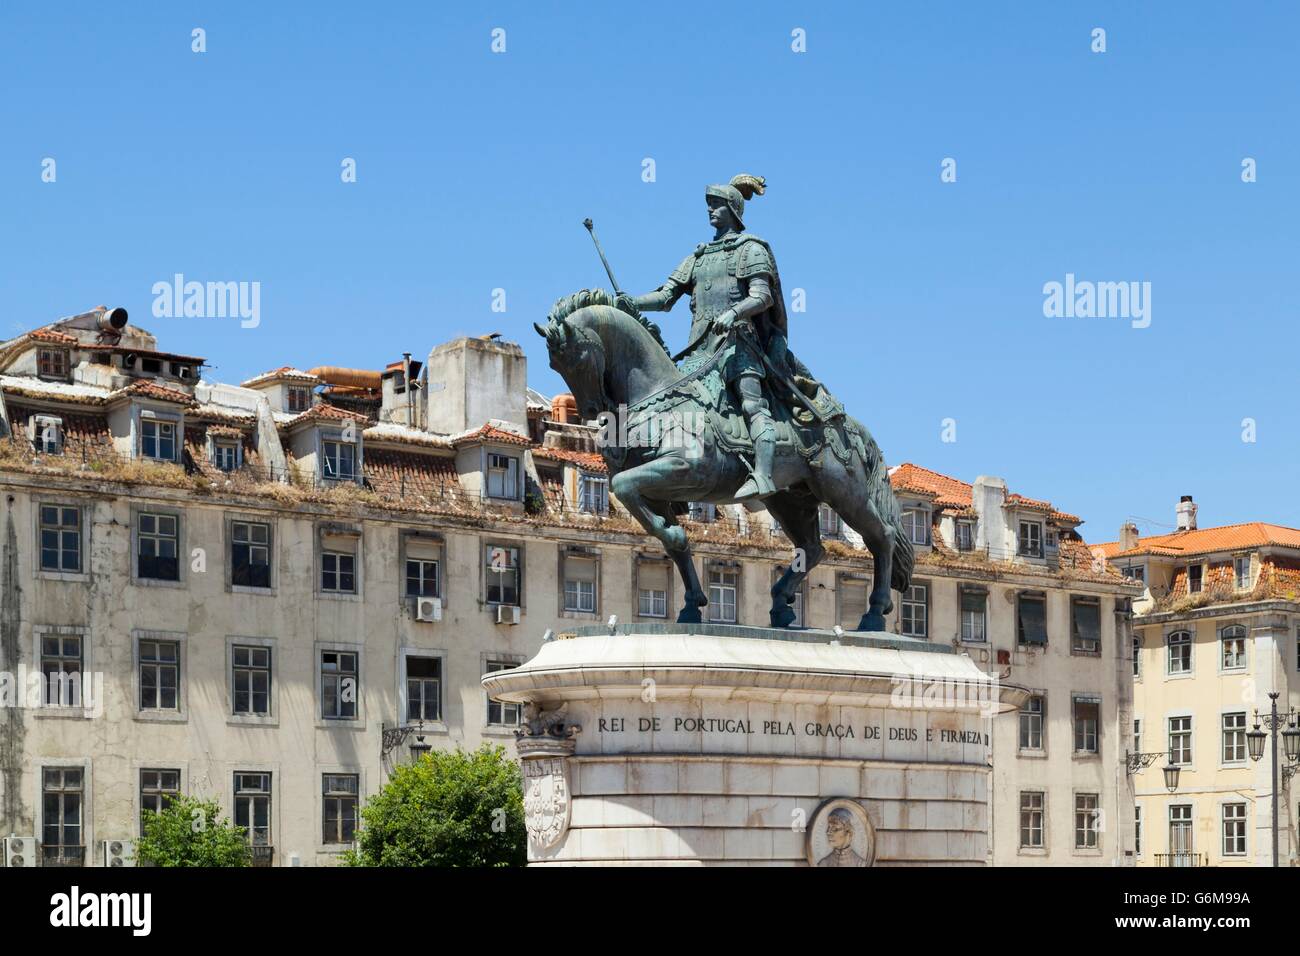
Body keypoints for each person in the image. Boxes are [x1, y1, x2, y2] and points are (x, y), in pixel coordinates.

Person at [617, 174, 788, 500]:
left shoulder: (751, 249)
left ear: (733, 209)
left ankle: (764, 475)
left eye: (716, 205)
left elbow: (762, 296)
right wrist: (632, 302)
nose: (710, 210)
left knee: (752, 404)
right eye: (709, 205)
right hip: (698, 351)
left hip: (737, 345)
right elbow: (666, 297)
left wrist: (735, 313)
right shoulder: (698, 256)